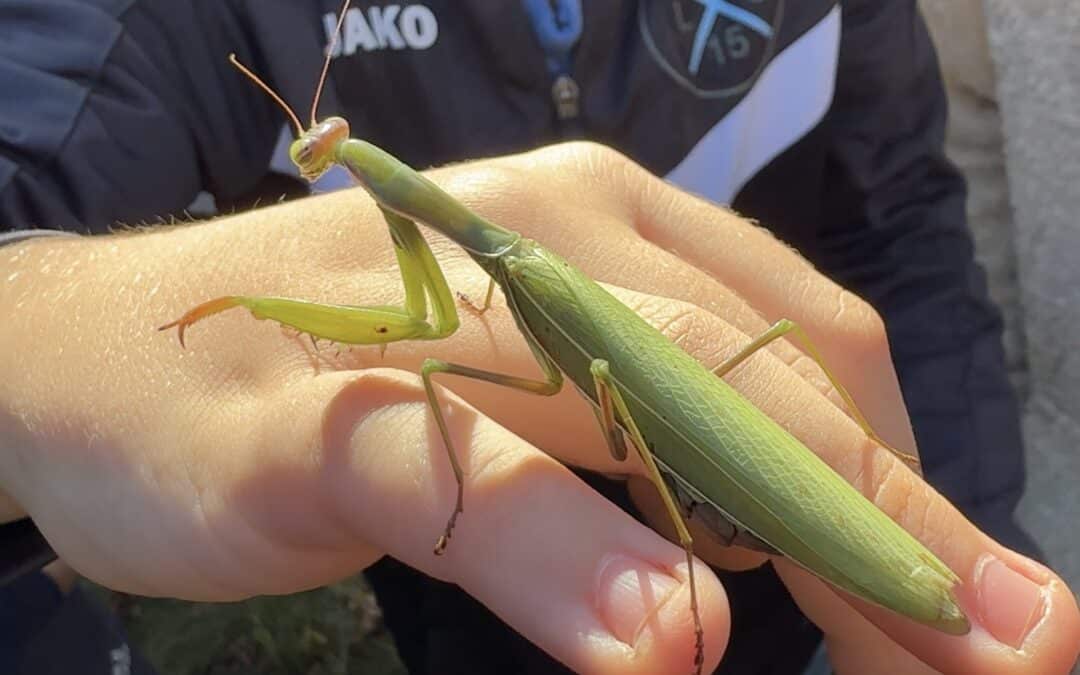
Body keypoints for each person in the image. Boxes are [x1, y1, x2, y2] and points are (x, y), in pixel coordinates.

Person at [1, 1, 1077, 674]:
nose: (318, 153)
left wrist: (968, 514)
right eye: (312, 146)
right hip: (532, 622)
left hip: (767, 578)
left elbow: (902, 235)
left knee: (600, 372)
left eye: (325, 144)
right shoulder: (169, 25)